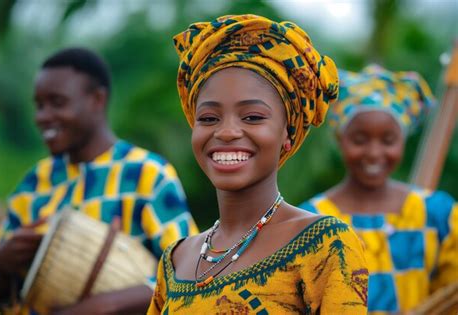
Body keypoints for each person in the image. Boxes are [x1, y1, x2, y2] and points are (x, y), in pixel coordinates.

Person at [148, 14, 369, 314]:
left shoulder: (324, 245)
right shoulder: (176, 260)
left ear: (287, 135)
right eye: (209, 118)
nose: (226, 132)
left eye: (252, 117)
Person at [0, 47, 198, 314]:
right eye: (39, 105)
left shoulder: (146, 174)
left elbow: (188, 273)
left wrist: (102, 306)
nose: (42, 117)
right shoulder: (33, 185)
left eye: (57, 102)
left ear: (97, 100)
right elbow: (0, 299)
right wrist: (0, 267)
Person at [300, 65, 458, 314]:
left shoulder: (438, 214)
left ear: (403, 140)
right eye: (360, 140)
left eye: (388, 140)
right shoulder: (311, 222)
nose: (374, 153)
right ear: (340, 139)